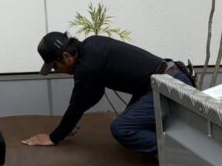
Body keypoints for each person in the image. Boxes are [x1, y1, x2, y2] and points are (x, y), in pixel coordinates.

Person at [22, 31, 194, 155]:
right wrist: (67, 127)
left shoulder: (87, 67)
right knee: (132, 125)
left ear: (66, 56)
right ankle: (176, 140)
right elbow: (92, 95)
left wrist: (54, 137)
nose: (57, 70)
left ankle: (186, 152)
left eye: (55, 66)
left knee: (122, 129)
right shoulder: (92, 45)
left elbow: (78, 103)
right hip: (165, 81)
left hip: (170, 86)